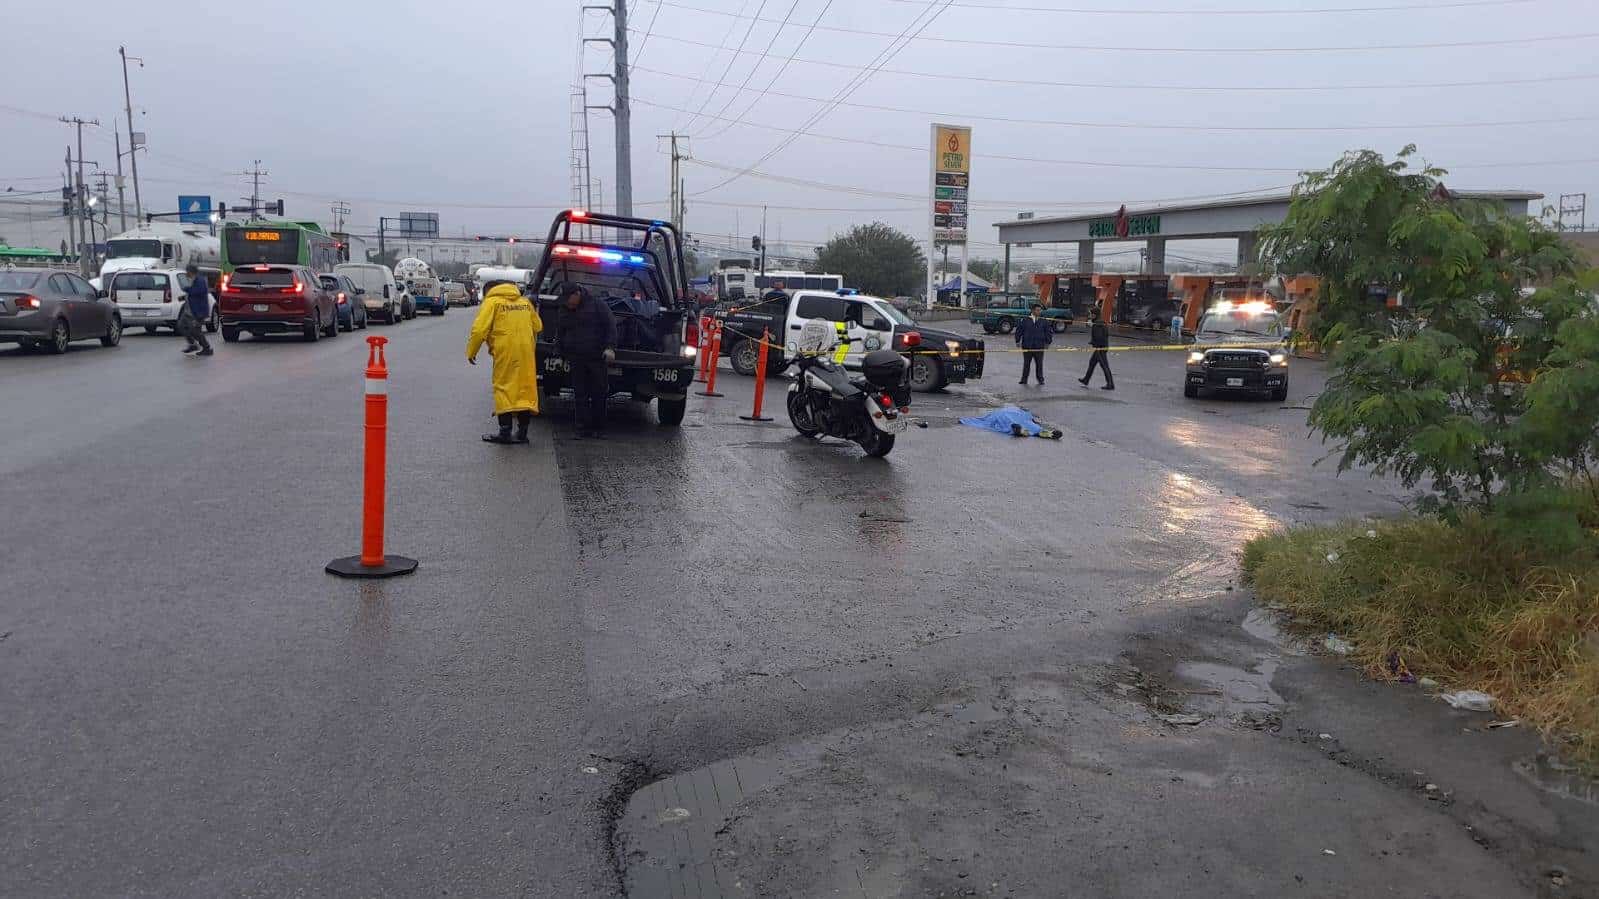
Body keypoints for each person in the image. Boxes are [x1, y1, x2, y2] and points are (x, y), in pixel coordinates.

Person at [466, 281, 543, 444]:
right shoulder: (525, 303)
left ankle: (505, 432)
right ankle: (522, 433)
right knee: (524, 388)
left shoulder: (492, 302)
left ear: (489, 291)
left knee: (504, 387)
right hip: (526, 351)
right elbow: (538, 326)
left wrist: (471, 352)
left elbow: (479, 330)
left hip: (505, 351)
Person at [554, 284, 617, 439]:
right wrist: (558, 356)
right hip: (576, 358)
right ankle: (581, 429)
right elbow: (560, 333)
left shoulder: (597, 305)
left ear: (577, 294)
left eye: (569, 300)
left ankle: (599, 429)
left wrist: (610, 347)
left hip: (596, 358)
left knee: (599, 394)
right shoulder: (565, 308)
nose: (568, 304)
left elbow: (610, 326)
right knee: (579, 395)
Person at [179, 264, 213, 357]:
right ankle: (192, 344)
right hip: (188, 310)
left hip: (197, 311)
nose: (186, 273)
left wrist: (187, 289)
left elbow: (198, 291)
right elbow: (192, 294)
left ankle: (207, 348)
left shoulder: (200, 280)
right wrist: (183, 297)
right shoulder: (192, 280)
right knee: (181, 326)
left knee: (195, 330)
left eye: (188, 271)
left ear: (192, 272)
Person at [1014, 303, 1052, 385]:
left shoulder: (1043, 320)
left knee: (1039, 364)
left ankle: (1040, 379)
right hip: (1027, 345)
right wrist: (1017, 340)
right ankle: (1024, 379)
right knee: (1026, 364)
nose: (1039, 312)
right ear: (1033, 310)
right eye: (1037, 310)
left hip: (1039, 346)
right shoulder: (1025, 320)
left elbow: (1048, 331)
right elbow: (1019, 330)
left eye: (1040, 310)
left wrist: (1048, 342)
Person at [1079, 312, 1115, 390]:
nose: (1090, 316)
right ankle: (1086, 379)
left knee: (1104, 366)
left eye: (1091, 314)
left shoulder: (1097, 324)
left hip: (1100, 348)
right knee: (1092, 363)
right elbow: (1104, 335)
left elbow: (1099, 337)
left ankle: (1110, 384)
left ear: (1095, 315)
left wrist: (1094, 343)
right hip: (1101, 347)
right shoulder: (1101, 322)